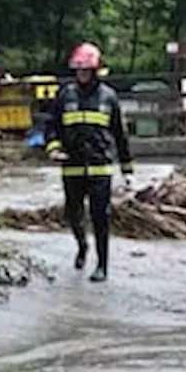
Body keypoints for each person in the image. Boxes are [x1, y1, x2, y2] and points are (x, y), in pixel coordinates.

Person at [44, 43, 134, 282]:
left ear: (95, 71)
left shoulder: (108, 97)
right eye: (78, 71)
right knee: (73, 214)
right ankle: (82, 245)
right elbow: (51, 127)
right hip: (72, 166)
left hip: (100, 167)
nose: (81, 75)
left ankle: (102, 265)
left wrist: (127, 170)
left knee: (100, 216)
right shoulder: (65, 95)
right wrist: (53, 149)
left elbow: (120, 135)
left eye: (85, 71)